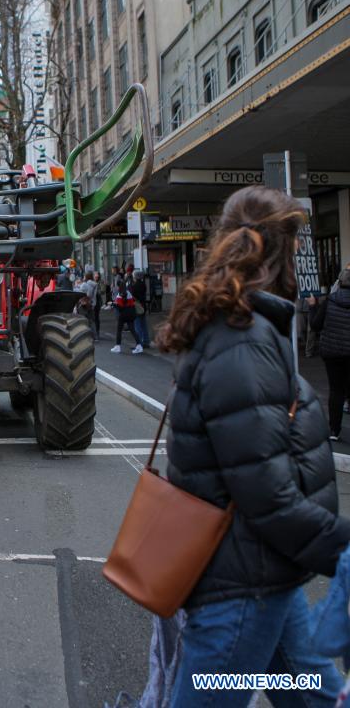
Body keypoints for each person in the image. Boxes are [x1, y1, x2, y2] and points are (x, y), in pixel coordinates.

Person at [156, 185, 350, 707]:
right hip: (241, 592)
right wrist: (342, 546)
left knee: (315, 696)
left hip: (268, 582)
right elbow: (264, 491)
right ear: (283, 252)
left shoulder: (238, 329)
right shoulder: (241, 340)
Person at [309, 268, 350, 441]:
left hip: (332, 352)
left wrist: (313, 307)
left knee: (336, 390)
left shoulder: (329, 301)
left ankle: (334, 430)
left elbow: (316, 325)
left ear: (339, 282)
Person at [110, 271, 141, 354]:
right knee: (132, 329)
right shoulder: (128, 293)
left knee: (119, 330)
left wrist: (113, 304)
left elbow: (120, 307)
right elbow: (131, 302)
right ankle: (139, 345)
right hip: (131, 313)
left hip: (123, 314)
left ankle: (117, 346)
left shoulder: (119, 295)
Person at [131, 270, 151, 349]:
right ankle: (146, 341)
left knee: (137, 325)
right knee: (144, 324)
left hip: (137, 306)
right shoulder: (143, 284)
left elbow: (133, 296)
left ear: (135, 276)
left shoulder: (134, 286)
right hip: (143, 305)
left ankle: (139, 343)